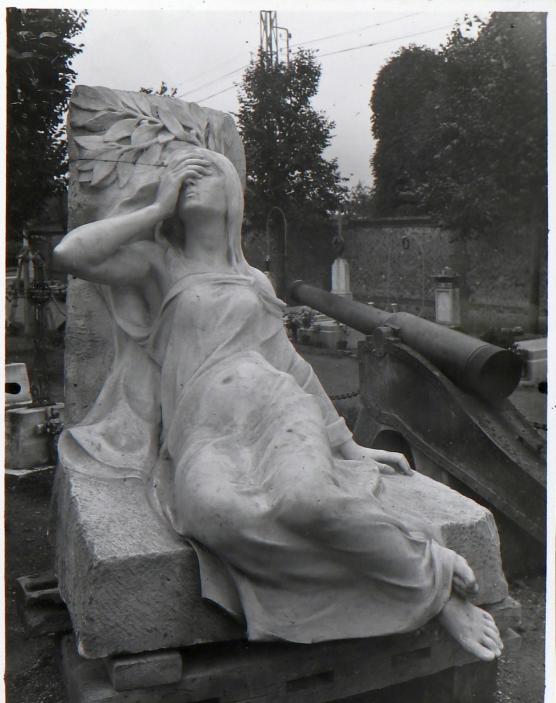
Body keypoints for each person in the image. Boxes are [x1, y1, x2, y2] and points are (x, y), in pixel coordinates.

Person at [53, 147, 503, 661]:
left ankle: (433, 581)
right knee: (211, 514)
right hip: (202, 426)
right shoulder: (161, 263)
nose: (191, 177)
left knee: (307, 502)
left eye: (206, 171)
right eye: (183, 173)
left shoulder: (254, 282)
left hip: (274, 405)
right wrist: (156, 209)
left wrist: (349, 446)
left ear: (233, 194)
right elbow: (71, 255)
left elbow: (290, 365)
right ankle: (408, 574)